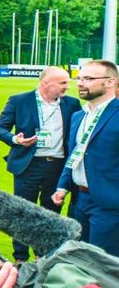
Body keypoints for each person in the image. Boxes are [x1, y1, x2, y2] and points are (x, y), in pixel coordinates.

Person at [0, 67, 78, 263]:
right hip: (28, 165)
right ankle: (20, 259)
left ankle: (44, 256)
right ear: (45, 82)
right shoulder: (19, 100)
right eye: (63, 83)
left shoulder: (72, 104)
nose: (68, 86)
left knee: (50, 214)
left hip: (57, 166)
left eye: (68, 82)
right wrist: (15, 139)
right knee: (23, 212)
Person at [54, 59, 119, 257]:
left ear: (110, 82)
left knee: (104, 265)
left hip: (110, 204)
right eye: (79, 78)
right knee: (78, 260)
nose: (80, 83)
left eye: (88, 79)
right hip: (79, 201)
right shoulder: (78, 116)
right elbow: (75, 152)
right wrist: (62, 185)